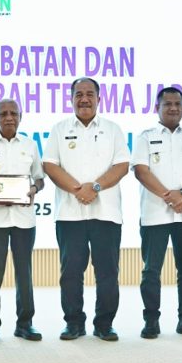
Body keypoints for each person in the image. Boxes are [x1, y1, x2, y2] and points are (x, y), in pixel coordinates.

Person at [43, 77, 130, 342]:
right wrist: (77, 189)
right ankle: (73, 323)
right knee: (70, 273)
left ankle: (104, 324)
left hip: (106, 214)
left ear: (99, 98)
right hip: (70, 215)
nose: (84, 99)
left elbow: (122, 166)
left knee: (107, 273)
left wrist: (94, 187)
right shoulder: (59, 129)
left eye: (89, 94)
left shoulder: (113, 129)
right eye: (78, 94)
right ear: (71, 99)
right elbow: (50, 165)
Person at [130, 86, 182, 339]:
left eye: (178, 104)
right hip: (155, 214)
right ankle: (151, 321)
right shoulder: (146, 137)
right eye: (168, 104)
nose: (173, 108)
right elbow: (141, 171)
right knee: (151, 270)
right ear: (157, 107)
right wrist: (169, 196)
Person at [0, 99, 45, 343]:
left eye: (14, 113)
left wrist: (32, 190)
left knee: (24, 273)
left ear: (21, 117)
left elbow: (40, 179)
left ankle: (25, 324)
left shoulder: (31, 145)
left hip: (24, 219)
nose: (9, 117)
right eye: (3, 113)